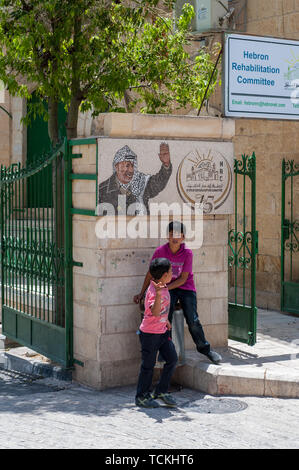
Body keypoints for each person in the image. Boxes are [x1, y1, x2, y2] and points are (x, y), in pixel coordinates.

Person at [134, 221, 222, 365]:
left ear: (183, 237)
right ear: (167, 236)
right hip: (167, 287)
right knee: (164, 316)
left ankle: (205, 349)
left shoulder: (187, 253)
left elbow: (183, 278)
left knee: (192, 319)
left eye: (178, 234)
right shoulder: (160, 252)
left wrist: (165, 288)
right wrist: (141, 293)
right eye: (171, 234)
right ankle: (164, 351)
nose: (175, 237)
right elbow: (150, 274)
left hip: (185, 287)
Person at [135, 257, 178, 408]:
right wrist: (158, 294)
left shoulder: (163, 286)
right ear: (164, 274)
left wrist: (165, 320)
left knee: (172, 359)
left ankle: (161, 391)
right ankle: (141, 396)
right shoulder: (154, 290)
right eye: (171, 271)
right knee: (148, 366)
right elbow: (154, 311)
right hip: (150, 335)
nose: (172, 273)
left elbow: (161, 311)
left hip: (162, 332)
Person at [98, 142, 172, 215]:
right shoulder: (102, 190)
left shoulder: (141, 183)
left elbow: (158, 183)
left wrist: (166, 165)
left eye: (132, 166)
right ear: (117, 167)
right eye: (127, 166)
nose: (131, 170)